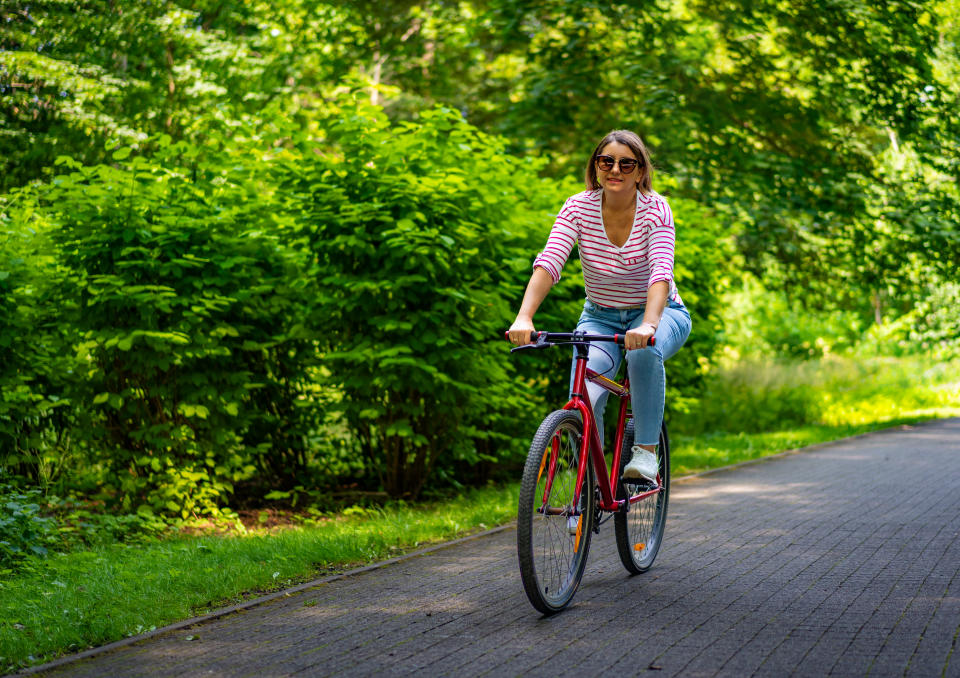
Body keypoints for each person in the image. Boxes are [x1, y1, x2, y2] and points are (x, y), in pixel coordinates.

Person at [507, 129, 692, 481]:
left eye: (627, 164)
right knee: (587, 396)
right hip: (600, 317)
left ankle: (646, 452)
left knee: (642, 353)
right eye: (606, 161)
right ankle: (588, 485)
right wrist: (524, 317)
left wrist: (649, 325)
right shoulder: (578, 207)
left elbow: (660, 272)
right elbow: (550, 262)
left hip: (661, 312)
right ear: (595, 166)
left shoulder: (656, 209)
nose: (615, 170)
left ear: (640, 172)